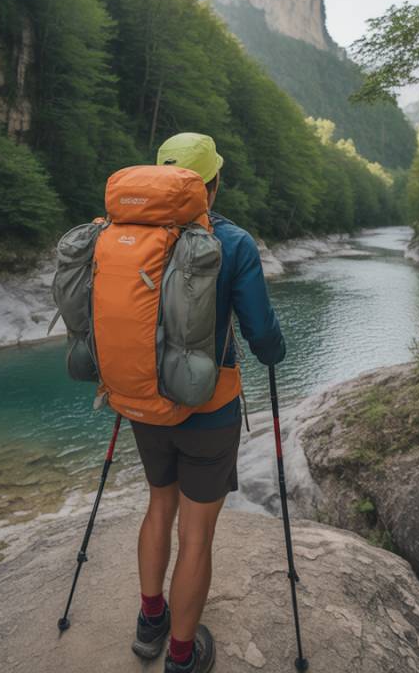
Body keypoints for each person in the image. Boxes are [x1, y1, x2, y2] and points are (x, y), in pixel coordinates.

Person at [129, 132, 286, 673]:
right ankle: (182, 654)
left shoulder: (127, 233)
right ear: (212, 185)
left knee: (159, 505)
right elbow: (260, 332)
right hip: (208, 410)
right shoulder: (233, 243)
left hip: (144, 403)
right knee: (196, 534)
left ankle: (151, 620)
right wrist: (274, 352)